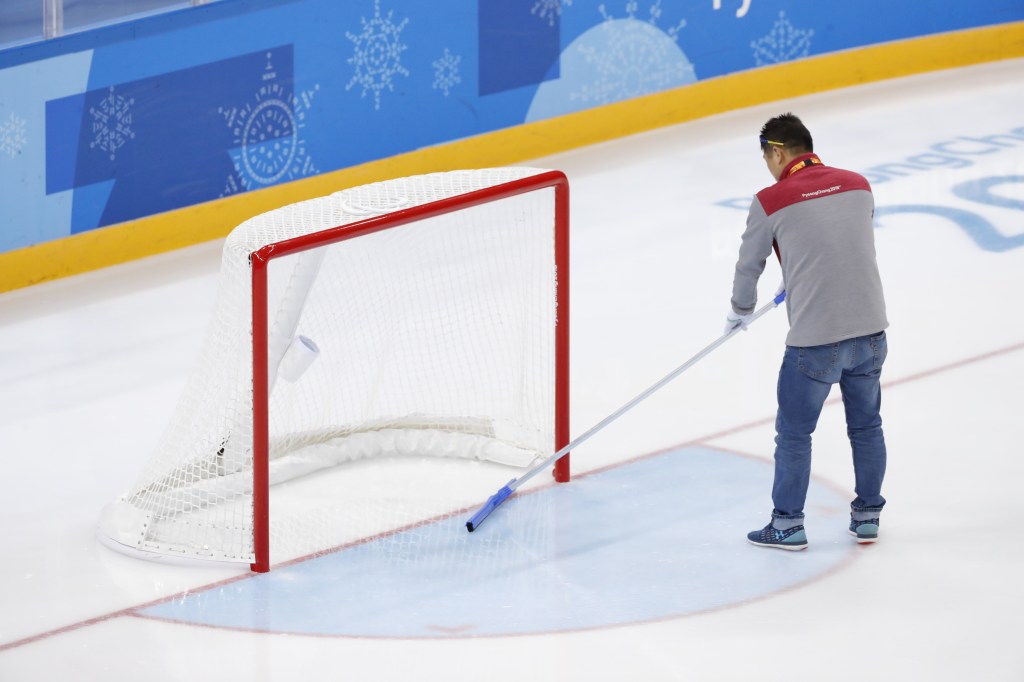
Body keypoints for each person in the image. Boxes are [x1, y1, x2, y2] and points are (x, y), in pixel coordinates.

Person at [727, 113, 889, 551]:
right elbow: (838, 242)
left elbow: (748, 265)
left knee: (795, 435)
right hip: (871, 334)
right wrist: (795, 273)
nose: (768, 167)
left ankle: (787, 524)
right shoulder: (858, 184)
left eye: (767, 157)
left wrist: (740, 310)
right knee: (867, 426)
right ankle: (868, 516)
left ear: (778, 152)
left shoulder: (769, 200)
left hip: (815, 341)